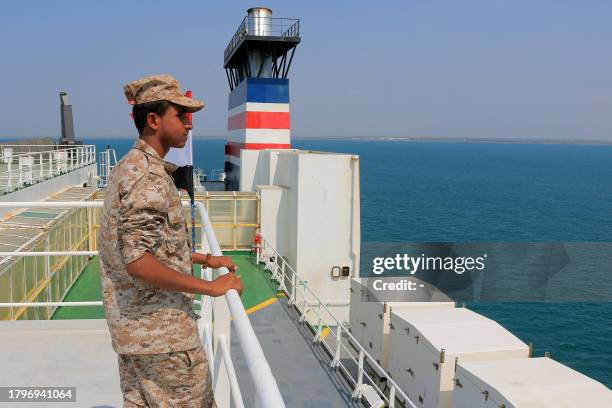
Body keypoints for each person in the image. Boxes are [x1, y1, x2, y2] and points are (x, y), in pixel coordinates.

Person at [97, 74, 242, 407]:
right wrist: (210, 287)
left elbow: (150, 246)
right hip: (164, 338)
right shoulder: (148, 177)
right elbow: (138, 261)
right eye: (180, 115)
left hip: (135, 334)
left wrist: (206, 260)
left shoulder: (128, 167)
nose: (188, 126)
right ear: (153, 120)